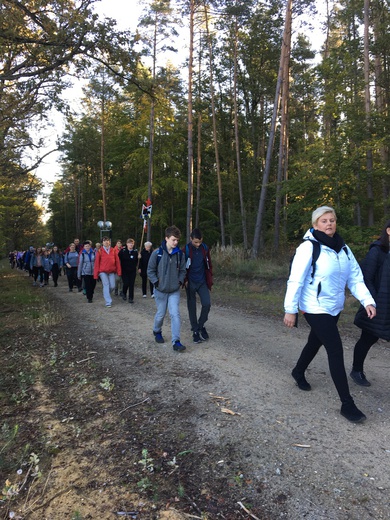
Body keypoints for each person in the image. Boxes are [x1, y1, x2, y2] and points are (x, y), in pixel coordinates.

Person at [283, 206, 376, 423]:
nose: (329, 224)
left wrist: (367, 300)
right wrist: (291, 309)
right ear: (315, 225)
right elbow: (295, 280)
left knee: (315, 342)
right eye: (324, 221)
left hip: (333, 306)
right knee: (335, 349)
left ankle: (298, 371)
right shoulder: (308, 248)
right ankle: (347, 404)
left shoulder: (343, 248)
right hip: (314, 307)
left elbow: (355, 277)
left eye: (332, 220)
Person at [351, 220, 390, 386]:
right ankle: (356, 370)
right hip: (377, 304)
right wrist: (373, 302)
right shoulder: (377, 251)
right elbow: (366, 278)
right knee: (368, 338)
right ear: (388, 231)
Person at [147, 225, 187, 352]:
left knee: (175, 314)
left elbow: (182, 270)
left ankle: (176, 341)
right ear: (166, 238)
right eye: (173, 240)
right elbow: (150, 270)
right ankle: (157, 330)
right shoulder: (156, 253)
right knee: (161, 314)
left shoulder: (179, 254)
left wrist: (180, 281)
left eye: (177, 240)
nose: (176, 242)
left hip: (174, 290)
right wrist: (156, 282)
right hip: (160, 290)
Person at [183, 228, 213, 343]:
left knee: (207, 304)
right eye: (195, 242)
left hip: (202, 282)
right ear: (191, 239)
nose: (198, 244)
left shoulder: (205, 249)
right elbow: (181, 266)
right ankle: (195, 331)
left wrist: (209, 277)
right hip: (190, 282)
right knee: (192, 307)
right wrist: (184, 279)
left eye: (200, 242)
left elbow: (209, 264)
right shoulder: (185, 250)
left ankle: (200, 325)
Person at [93, 236, 122, 307]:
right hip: (103, 271)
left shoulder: (113, 250)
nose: (106, 242)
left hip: (112, 271)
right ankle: (108, 302)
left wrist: (119, 271)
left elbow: (117, 261)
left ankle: (106, 294)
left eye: (107, 240)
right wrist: (96, 274)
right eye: (104, 241)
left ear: (110, 242)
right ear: (102, 242)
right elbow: (97, 263)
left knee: (112, 286)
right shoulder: (99, 251)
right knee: (106, 285)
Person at [119, 238, 138, 303]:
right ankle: (123, 293)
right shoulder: (123, 251)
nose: (131, 245)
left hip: (132, 270)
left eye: (132, 243)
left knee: (131, 284)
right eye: (129, 243)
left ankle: (131, 298)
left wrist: (139, 257)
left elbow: (137, 261)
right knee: (126, 283)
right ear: (127, 244)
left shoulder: (135, 252)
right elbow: (118, 259)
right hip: (124, 270)